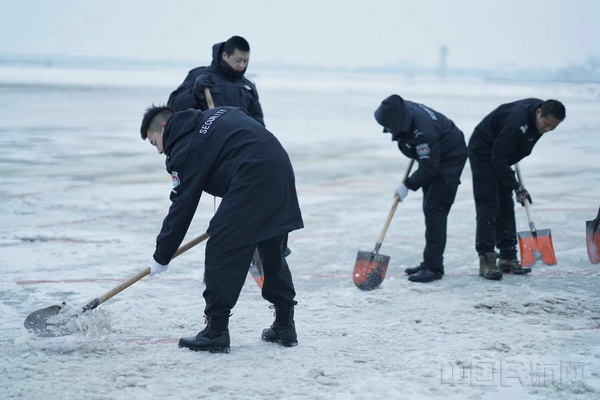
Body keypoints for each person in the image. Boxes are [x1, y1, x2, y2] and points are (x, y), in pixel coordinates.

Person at [139, 104, 303, 353]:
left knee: (221, 248)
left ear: (164, 127)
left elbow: (182, 206)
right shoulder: (221, 112)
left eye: (155, 143)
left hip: (252, 176)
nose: (160, 151)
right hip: (279, 168)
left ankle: (215, 330)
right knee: (270, 249)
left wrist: (162, 255)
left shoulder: (185, 148)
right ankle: (284, 324)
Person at [468, 98, 566, 280]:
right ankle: (486, 258)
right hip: (483, 150)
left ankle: (507, 256)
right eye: (546, 124)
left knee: (505, 205)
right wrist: (516, 187)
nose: (546, 130)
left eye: (552, 127)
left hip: (503, 153)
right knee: (488, 205)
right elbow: (497, 158)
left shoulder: (542, 115)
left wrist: (513, 184)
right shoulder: (516, 122)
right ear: (538, 113)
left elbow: (508, 153)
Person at [374, 95, 468, 283]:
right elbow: (427, 161)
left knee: (435, 210)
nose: (387, 131)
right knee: (430, 207)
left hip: (450, 161)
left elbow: (430, 167)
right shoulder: (405, 112)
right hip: (437, 154)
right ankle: (428, 262)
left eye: (389, 127)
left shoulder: (423, 133)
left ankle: (434, 268)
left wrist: (407, 185)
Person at [167, 35, 264, 126]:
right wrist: (194, 92)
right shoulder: (199, 76)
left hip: (236, 142)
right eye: (238, 60)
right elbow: (173, 107)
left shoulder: (248, 87)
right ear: (225, 55)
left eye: (245, 61)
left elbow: (258, 122)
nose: (242, 65)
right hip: (205, 140)